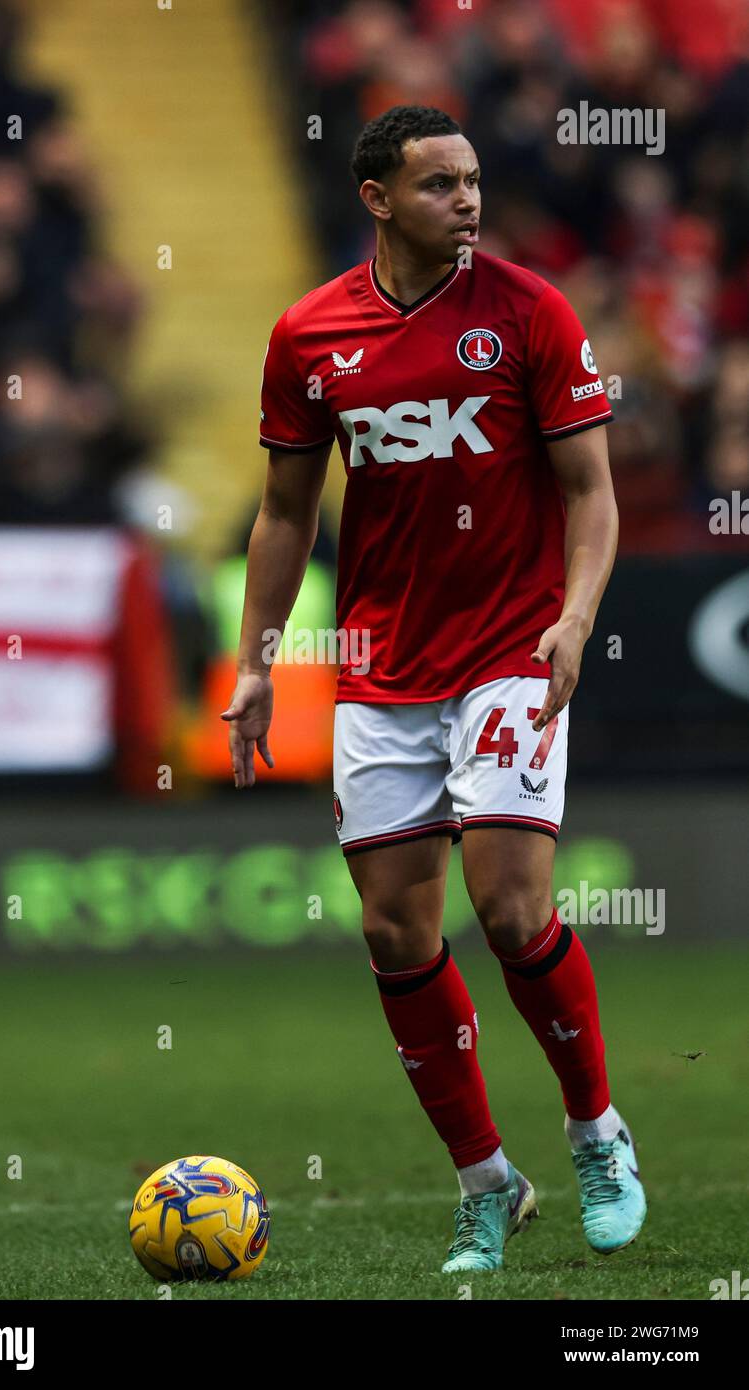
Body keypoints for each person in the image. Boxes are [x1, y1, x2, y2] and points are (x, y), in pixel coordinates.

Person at [222, 105, 646, 1272]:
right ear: (375, 197)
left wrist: (573, 616)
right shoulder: (311, 334)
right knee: (393, 928)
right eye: (436, 186)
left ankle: (595, 1132)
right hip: (379, 666)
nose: (465, 201)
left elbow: (589, 491)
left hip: (511, 646)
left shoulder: (527, 310)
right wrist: (257, 662)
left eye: (470, 181)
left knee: (509, 908)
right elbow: (282, 512)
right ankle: (484, 1184)